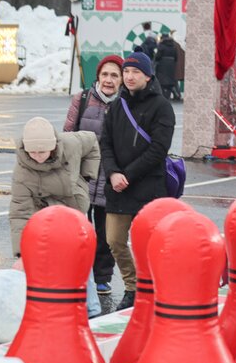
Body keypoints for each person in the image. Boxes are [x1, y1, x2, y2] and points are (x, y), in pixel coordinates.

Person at [100, 52, 175, 311]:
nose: (130, 77)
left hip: (148, 188)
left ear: (147, 76)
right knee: (114, 241)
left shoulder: (161, 106)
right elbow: (105, 143)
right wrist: (112, 173)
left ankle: (154, 286)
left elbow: (158, 149)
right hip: (118, 188)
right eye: (127, 72)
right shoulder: (116, 105)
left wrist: (127, 175)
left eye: (135, 72)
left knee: (151, 243)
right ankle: (133, 287)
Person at [9, 118, 102, 318]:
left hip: (73, 207)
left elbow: (93, 142)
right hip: (43, 215)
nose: (37, 157)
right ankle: (52, 310)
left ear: (53, 146)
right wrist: (22, 254)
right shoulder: (22, 173)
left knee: (80, 256)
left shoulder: (72, 143)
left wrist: (85, 179)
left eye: (42, 152)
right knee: (48, 259)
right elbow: (20, 212)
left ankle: (92, 310)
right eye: (32, 152)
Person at [64, 54, 123, 297]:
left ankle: (102, 277)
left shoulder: (124, 105)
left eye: (114, 75)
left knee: (105, 231)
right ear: (98, 76)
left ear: (121, 79)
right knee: (78, 228)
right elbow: (68, 132)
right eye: (105, 74)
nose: (109, 80)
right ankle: (77, 273)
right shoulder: (83, 98)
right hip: (82, 175)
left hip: (110, 176)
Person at [154, 32, 182, 100]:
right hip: (171, 65)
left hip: (163, 64)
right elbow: (176, 57)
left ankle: (163, 96)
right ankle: (170, 94)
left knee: (162, 81)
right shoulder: (173, 45)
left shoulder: (161, 45)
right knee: (170, 81)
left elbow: (158, 56)